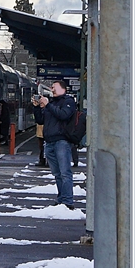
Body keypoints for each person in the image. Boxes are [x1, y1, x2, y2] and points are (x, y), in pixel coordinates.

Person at [34, 79, 78, 208]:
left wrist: (48, 105)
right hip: (49, 142)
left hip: (62, 141)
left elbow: (63, 115)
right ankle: (61, 198)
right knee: (57, 173)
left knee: (65, 172)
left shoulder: (68, 102)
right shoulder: (51, 103)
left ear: (63, 89)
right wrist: (37, 107)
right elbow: (40, 120)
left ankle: (68, 201)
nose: (52, 89)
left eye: (54, 87)